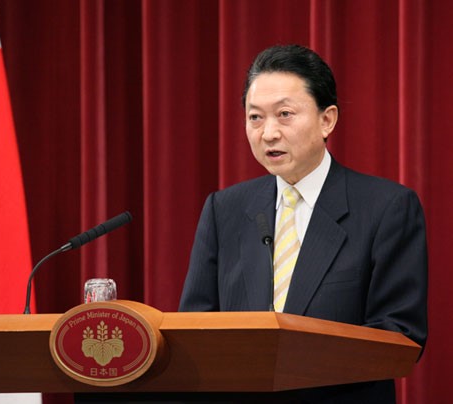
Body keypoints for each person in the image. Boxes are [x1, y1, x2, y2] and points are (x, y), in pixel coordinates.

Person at [178, 44, 427, 403]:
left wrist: (290, 360)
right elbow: (195, 328)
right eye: (255, 117)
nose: (268, 133)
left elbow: (401, 336)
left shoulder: (387, 208)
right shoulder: (224, 210)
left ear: (327, 120)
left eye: (284, 114)